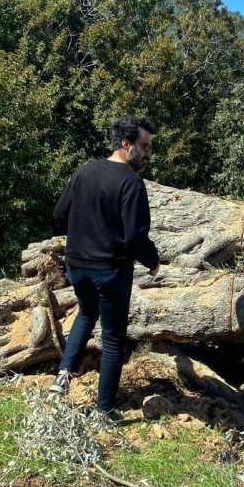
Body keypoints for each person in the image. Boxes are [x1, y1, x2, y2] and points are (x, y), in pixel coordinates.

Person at [50, 116, 160, 417]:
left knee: (86, 313)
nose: (148, 152)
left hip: (76, 266)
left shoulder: (84, 171)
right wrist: (153, 261)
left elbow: (60, 212)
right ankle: (105, 411)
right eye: (144, 146)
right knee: (113, 340)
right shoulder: (132, 184)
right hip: (110, 271)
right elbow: (135, 237)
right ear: (126, 145)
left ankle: (63, 375)